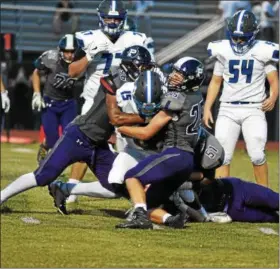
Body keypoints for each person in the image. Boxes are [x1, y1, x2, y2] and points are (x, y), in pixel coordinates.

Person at [0, 46, 155, 210]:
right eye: (143, 67)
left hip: (98, 143)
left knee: (114, 187)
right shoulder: (114, 78)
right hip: (79, 136)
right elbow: (115, 117)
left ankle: (64, 188)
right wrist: (146, 117)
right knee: (43, 176)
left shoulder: (131, 84)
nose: (146, 71)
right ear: (132, 65)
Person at [65, 0, 152, 203]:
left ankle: (133, 193)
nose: (112, 22)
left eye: (116, 18)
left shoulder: (136, 38)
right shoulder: (87, 38)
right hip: (94, 100)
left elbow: (148, 69)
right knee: (85, 143)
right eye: (109, 18)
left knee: (128, 148)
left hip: (125, 100)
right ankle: (71, 188)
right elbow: (72, 73)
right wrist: (89, 55)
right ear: (100, 17)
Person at [114, 57, 205, 229]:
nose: (173, 76)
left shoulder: (176, 98)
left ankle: (140, 219)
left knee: (132, 176)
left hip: (175, 154)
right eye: (175, 72)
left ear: (191, 78)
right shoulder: (197, 96)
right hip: (186, 160)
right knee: (144, 202)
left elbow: (146, 133)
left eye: (180, 74)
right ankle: (171, 220)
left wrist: (122, 129)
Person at [203, 10, 279, 187]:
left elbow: (274, 81)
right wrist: (207, 107)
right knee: (223, 156)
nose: (238, 42)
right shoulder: (223, 50)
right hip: (227, 108)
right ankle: (224, 200)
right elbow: (215, 82)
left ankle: (265, 197)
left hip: (253, 108)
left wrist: (273, 96)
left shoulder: (263, 50)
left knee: (257, 154)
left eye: (243, 38)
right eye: (235, 37)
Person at [32, 34, 82, 165]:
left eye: (72, 51)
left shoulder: (82, 61)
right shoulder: (51, 58)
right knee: (52, 139)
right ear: (60, 50)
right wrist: (37, 94)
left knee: (68, 138)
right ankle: (45, 146)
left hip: (69, 103)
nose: (69, 55)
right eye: (66, 51)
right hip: (50, 102)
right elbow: (36, 72)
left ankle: (56, 165)